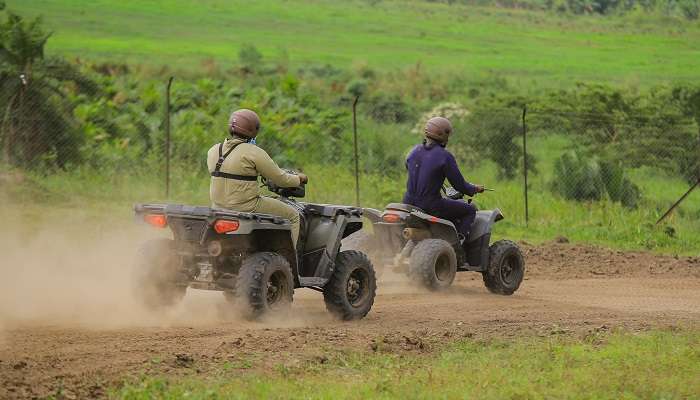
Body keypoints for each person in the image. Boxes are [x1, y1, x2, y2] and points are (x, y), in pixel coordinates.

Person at [207, 109, 308, 246]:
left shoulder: (213, 150)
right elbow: (281, 179)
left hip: (218, 206)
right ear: (253, 130)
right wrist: (299, 178)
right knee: (293, 215)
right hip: (247, 206)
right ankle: (292, 259)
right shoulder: (254, 152)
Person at [403, 116, 484, 242]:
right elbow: (459, 185)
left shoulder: (414, 151)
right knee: (470, 210)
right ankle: (457, 243)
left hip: (407, 203)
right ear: (443, 135)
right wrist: (474, 189)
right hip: (430, 205)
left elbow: (409, 167)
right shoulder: (445, 156)